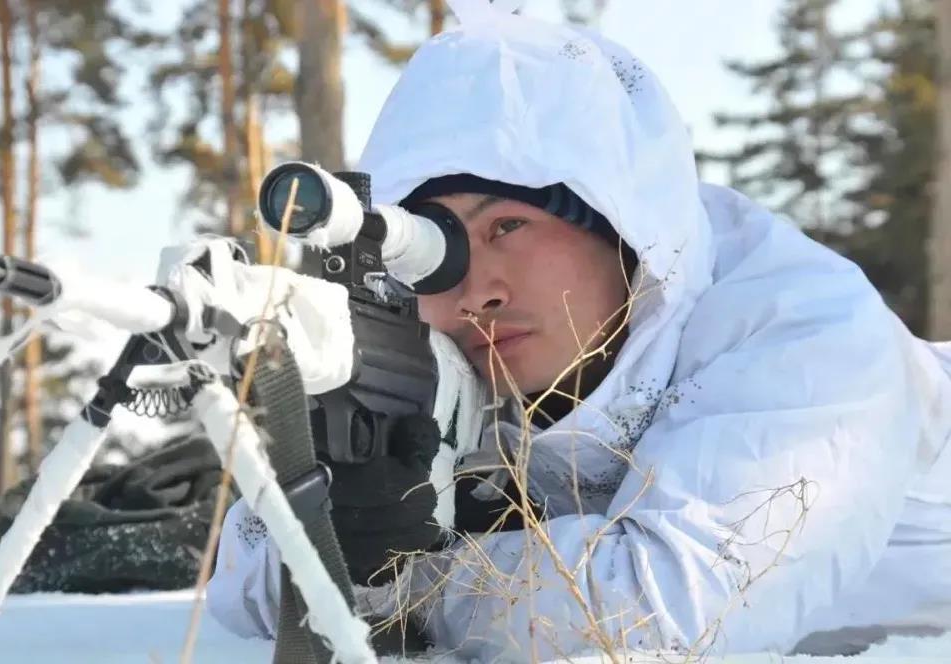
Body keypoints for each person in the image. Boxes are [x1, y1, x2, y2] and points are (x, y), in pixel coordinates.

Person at [208, 2, 951, 659]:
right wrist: (354, 494)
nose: (478, 291)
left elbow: (662, 613)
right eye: (437, 251)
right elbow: (242, 578)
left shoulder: (803, 325)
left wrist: (403, 576)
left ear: (624, 227)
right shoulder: (457, 364)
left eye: (508, 225)